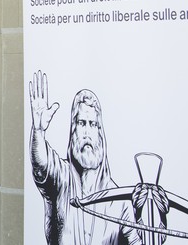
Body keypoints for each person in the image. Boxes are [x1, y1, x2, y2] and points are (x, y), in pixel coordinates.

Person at [29, 70, 142, 245]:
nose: (87, 133)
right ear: (73, 130)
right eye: (81, 123)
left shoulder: (119, 202)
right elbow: (41, 165)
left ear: (100, 133)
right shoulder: (62, 178)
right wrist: (38, 131)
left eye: (93, 124)